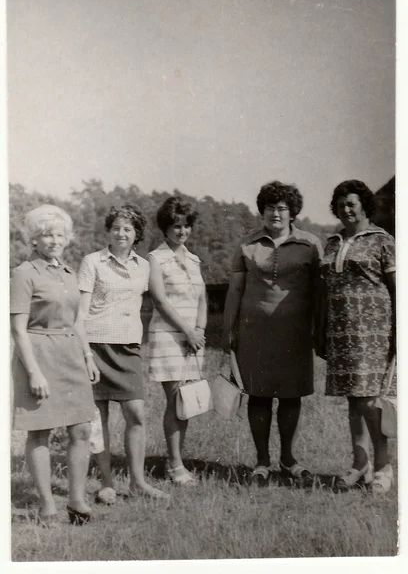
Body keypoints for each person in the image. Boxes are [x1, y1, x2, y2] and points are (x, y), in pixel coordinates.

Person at [223, 181, 323, 484]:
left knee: (292, 397)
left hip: (295, 334)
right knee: (259, 396)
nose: (275, 213)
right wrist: (229, 330)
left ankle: (289, 459)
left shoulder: (310, 245)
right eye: (270, 207)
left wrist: (321, 329)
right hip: (255, 333)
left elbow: (320, 293)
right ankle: (262, 462)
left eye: (282, 208)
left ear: (292, 212)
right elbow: (235, 290)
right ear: (262, 211)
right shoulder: (247, 244)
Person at [10, 205, 99, 526]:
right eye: (47, 234)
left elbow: (77, 322)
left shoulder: (69, 273)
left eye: (59, 234)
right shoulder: (23, 273)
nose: (54, 240)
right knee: (40, 431)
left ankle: (77, 500)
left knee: (82, 429)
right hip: (39, 354)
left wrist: (88, 357)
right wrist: (33, 371)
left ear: (67, 239)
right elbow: (17, 329)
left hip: (72, 355)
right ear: (34, 239)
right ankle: (47, 504)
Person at [78, 204, 169, 503]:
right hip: (94, 346)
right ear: (108, 231)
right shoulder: (92, 262)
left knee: (136, 414)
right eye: (116, 227)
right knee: (97, 419)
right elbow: (80, 315)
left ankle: (138, 483)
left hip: (128, 347)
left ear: (137, 234)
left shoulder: (144, 266)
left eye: (128, 229)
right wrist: (86, 355)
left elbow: (162, 302)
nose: (121, 233)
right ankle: (106, 483)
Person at [318, 180, 396, 494]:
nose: (345, 209)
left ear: (364, 205)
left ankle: (382, 467)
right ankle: (359, 463)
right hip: (340, 331)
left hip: (372, 333)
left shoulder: (382, 241)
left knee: (369, 401)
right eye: (340, 204)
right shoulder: (332, 242)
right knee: (353, 400)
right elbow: (325, 291)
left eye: (351, 203)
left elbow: (397, 288)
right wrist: (321, 330)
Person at [148, 196, 207, 485]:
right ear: (165, 227)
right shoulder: (156, 258)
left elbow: (203, 298)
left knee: (187, 403)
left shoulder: (194, 259)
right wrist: (187, 331)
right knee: (175, 401)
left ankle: (177, 461)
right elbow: (159, 301)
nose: (181, 231)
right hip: (169, 337)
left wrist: (200, 332)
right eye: (176, 226)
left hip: (192, 339)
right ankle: (174, 466)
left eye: (186, 226)